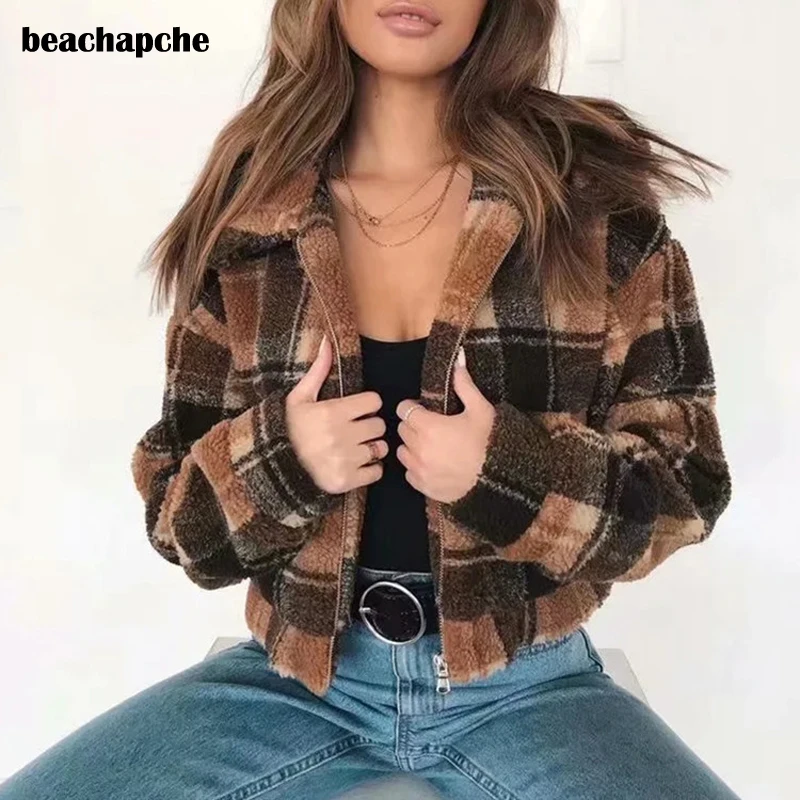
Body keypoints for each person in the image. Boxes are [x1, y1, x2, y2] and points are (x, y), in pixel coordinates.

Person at [0, 1, 740, 798]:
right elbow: (178, 524)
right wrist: (283, 460)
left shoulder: (591, 212)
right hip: (297, 684)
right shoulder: (251, 223)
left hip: (529, 685)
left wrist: (508, 475)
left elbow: (686, 487)